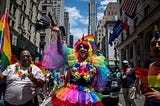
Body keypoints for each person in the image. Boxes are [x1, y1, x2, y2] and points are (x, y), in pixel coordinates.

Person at [42, 24, 110, 106]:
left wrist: (93, 87)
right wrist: (58, 33)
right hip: (71, 95)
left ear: (88, 50)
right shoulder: (73, 60)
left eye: (85, 47)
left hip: (87, 95)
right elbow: (61, 49)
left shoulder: (93, 62)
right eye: (80, 47)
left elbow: (100, 79)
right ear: (77, 50)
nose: (82, 49)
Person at [144, 35, 160, 106]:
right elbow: (150, 87)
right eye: (153, 44)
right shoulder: (151, 66)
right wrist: (146, 102)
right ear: (150, 49)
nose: (156, 46)